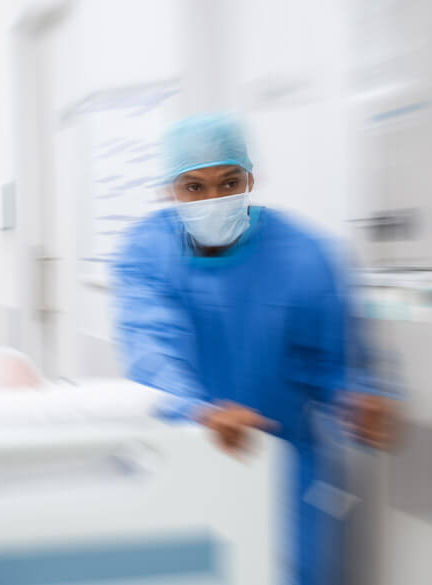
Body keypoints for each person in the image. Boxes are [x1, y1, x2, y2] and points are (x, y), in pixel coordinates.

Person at [111, 113, 396, 585]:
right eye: (194, 187)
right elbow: (150, 347)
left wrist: (359, 399)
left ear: (250, 178)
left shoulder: (305, 254)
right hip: (187, 452)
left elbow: (338, 361)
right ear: (169, 190)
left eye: (229, 182)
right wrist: (197, 410)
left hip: (286, 468)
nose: (215, 200)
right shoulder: (147, 250)